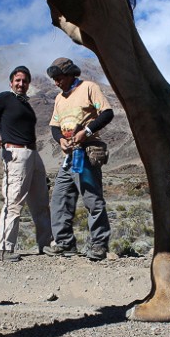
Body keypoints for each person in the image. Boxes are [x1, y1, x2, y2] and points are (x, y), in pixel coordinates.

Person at [0, 66, 52, 262]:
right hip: (16, 154)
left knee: (41, 201)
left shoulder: (25, 104)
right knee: (14, 201)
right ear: (11, 82)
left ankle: (45, 243)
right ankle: (3, 248)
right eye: (18, 80)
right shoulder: (4, 98)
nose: (21, 84)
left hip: (33, 153)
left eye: (25, 81)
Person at [43, 57, 114, 261]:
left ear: (70, 74)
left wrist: (87, 131)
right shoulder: (59, 98)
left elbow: (107, 113)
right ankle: (65, 243)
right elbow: (54, 126)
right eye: (54, 79)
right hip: (69, 156)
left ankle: (99, 244)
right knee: (60, 198)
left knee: (92, 198)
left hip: (86, 151)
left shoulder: (89, 88)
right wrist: (60, 141)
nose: (56, 82)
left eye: (59, 78)